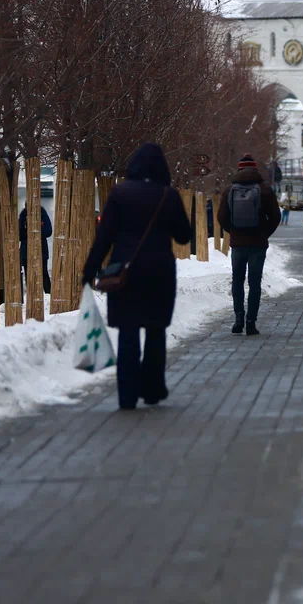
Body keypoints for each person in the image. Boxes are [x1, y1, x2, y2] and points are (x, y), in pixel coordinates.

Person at [82, 143, 192, 410]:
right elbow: (183, 236)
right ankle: (153, 389)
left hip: (125, 274)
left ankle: (127, 395)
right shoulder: (169, 196)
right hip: (159, 274)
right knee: (155, 332)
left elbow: (105, 236)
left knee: (128, 333)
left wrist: (90, 269)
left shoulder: (120, 194)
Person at [217, 152, 281, 336]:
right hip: (258, 244)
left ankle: (238, 318)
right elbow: (275, 217)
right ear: (255, 169)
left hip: (238, 244)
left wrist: (233, 232)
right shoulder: (265, 189)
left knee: (237, 281)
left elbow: (221, 217)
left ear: (239, 169)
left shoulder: (229, 190)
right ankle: (251, 322)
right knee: (254, 283)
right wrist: (263, 233)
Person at [19, 204, 53, 295]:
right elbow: (19, 234)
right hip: (26, 250)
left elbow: (48, 231)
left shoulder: (42, 213)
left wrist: (37, 230)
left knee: (44, 274)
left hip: (41, 250)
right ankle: (31, 295)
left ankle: (48, 294)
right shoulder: (23, 215)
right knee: (28, 275)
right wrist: (29, 230)